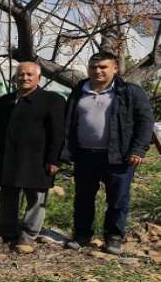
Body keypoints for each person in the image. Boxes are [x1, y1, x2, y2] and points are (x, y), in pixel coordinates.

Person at [63, 52, 154, 254]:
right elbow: (69, 122)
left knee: (118, 199)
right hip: (86, 155)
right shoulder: (80, 90)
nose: (98, 71)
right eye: (94, 67)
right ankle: (81, 235)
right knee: (83, 197)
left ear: (115, 69)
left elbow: (145, 122)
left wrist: (139, 149)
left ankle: (113, 237)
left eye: (103, 67)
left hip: (119, 155)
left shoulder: (129, 92)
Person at [0, 62, 64, 248]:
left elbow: (58, 133)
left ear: (39, 78)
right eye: (21, 75)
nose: (25, 78)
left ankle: (29, 234)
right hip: (9, 157)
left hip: (37, 159)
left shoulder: (52, 100)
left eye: (30, 75)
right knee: (7, 195)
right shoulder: (5, 100)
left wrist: (54, 159)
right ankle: (7, 230)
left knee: (36, 197)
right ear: (15, 78)